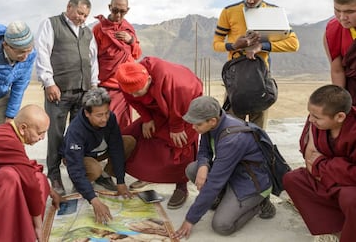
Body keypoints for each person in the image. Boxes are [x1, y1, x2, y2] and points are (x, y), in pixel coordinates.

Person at [172, 96, 275, 240]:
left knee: (222, 226)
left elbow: (214, 183)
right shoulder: (213, 123)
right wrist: (203, 165)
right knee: (193, 169)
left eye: (197, 124)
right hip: (232, 172)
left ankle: (260, 202)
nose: (193, 127)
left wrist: (190, 220)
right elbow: (204, 150)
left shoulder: (232, 139)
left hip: (251, 182)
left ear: (212, 121)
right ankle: (222, 199)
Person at [212, 0, 299, 129]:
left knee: (258, 133)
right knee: (232, 131)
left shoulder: (274, 13)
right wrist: (234, 46)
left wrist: (261, 46)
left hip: (261, 77)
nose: (250, 0)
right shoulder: (229, 11)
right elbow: (216, 43)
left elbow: (293, 44)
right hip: (236, 78)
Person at [114, 57, 203, 209]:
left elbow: (182, 101)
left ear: (148, 80)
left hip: (184, 109)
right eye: (131, 92)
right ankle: (148, 175)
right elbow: (133, 99)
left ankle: (181, 185)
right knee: (143, 136)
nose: (134, 95)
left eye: (137, 91)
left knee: (180, 143)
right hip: (158, 108)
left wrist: (176, 126)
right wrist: (147, 118)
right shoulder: (129, 80)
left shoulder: (176, 82)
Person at [36, 0, 99, 195]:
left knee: (78, 135)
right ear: (69, 7)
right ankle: (54, 175)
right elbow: (43, 52)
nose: (82, 18)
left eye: (86, 15)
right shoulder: (51, 24)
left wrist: (94, 84)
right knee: (55, 134)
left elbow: (93, 60)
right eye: (80, 13)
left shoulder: (87, 33)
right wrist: (49, 82)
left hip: (83, 92)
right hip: (59, 91)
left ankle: (76, 174)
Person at [0, 104, 62, 242]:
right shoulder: (7, 140)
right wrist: (38, 225)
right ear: (23, 128)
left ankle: (23, 232)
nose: (42, 138)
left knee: (39, 178)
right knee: (10, 176)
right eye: (40, 133)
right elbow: (29, 182)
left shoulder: (10, 133)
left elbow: (26, 167)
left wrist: (51, 190)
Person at [283, 85, 356, 242]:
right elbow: (308, 156)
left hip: (348, 185)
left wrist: (321, 164)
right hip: (330, 178)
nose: (310, 120)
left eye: (316, 117)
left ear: (340, 117)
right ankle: (336, 229)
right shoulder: (317, 123)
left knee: (350, 198)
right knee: (293, 179)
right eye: (309, 114)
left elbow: (315, 161)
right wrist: (334, 166)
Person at [60, 87, 133, 224]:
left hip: (98, 151)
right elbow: (75, 167)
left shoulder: (110, 118)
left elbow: (116, 147)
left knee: (128, 142)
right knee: (93, 169)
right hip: (79, 156)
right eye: (99, 115)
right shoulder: (76, 130)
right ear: (87, 113)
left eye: (106, 113)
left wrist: (121, 181)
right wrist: (93, 200)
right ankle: (82, 185)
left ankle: (105, 175)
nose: (105, 118)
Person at [93, 0, 142, 130]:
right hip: (107, 84)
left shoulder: (128, 29)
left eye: (123, 12)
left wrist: (131, 40)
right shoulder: (99, 29)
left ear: (128, 10)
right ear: (109, 7)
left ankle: (122, 151)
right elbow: (92, 57)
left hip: (125, 86)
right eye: (115, 10)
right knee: (106, 123)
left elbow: (137, 54)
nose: (119, 15)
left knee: (124, 125)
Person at [0, 20, 37, 125]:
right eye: (20, 52)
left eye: (28, 50)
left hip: (2, 97)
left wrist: (11, 115)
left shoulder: (30, 55)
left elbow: (19, 86)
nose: (25, 57)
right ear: (6, 45)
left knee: (3, 133)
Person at [324, 0, 356, 105]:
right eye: (337, 10)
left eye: (350, 12)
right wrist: (341, 104)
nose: (342, 17)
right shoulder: (334, 30)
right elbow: (337, 70)